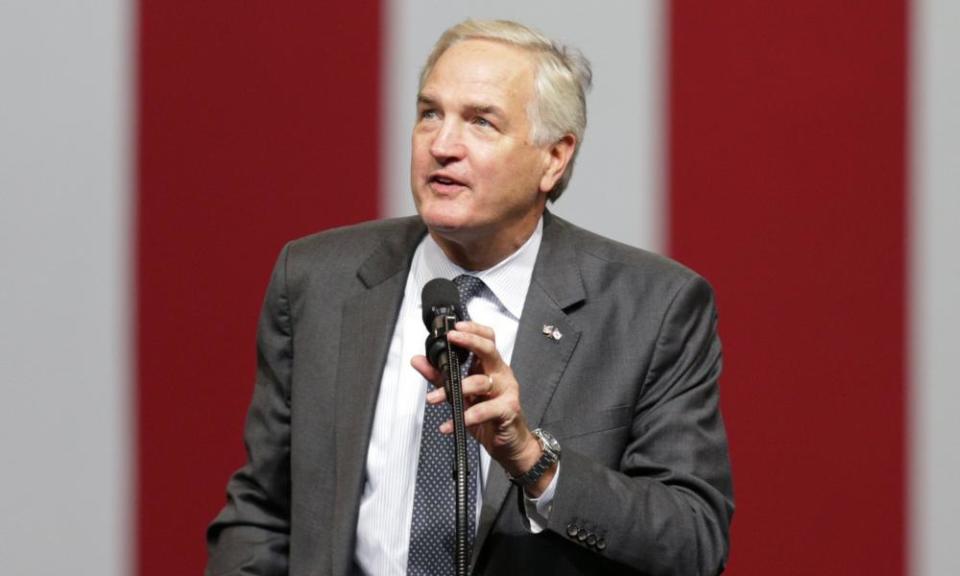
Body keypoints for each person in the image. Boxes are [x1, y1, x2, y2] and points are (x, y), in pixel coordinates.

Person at [206, 19, 733, 576]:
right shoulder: (317, 280)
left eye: (481, 122)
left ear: (553, 158)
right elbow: (263, 510)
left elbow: (692, 539)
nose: (441, 145)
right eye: (430, 113)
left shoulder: (652, 309)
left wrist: (533, 460)